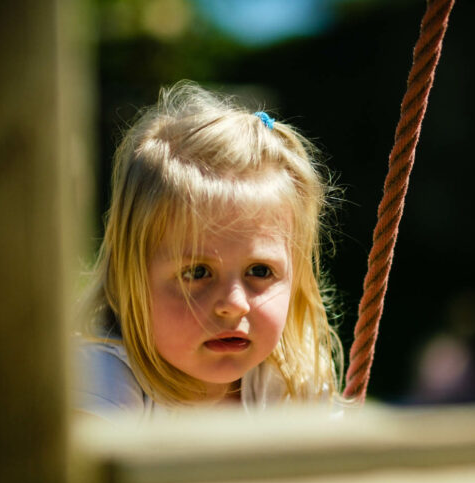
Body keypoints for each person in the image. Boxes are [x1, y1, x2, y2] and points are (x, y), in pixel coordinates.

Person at [75, 81, 343, 419]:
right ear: (132, 277)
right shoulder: (100, 380)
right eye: (197, 272)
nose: (233, 304)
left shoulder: (290, 380)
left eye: (259, 271)